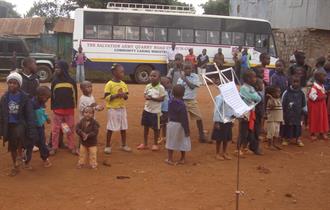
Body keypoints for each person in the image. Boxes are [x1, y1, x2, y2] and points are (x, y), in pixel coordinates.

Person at [0, 72, 37, 176]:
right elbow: (1, 114)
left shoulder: (25, 98)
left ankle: (21, 153)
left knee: (19, 134)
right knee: (12, 146)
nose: (12, 85)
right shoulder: (4, 98)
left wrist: (31, 129)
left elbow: (29, 114)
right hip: (9, 125)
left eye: (15, 83)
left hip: (20, 123)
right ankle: (15, 165)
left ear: (19, 85)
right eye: (10, 82)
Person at [50, 60, 78, 155]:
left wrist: (74, 106)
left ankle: (72, 146)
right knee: (55, 130)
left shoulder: (71, 81)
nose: (56, 69)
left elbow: (75, 95)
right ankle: (54, 147)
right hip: (57, 111)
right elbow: (52, 95)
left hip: (69, 111)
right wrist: (53, 107)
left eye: (58, 68)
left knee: (69, 129)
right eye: (55, 67)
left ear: (64, 69)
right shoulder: (54, 81)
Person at [177, 62, 208, 143]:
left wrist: (185, 79)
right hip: (182, 101)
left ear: (192, 69)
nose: (187, 70)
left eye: (189, 68)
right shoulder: (180, 79)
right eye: (185, 68)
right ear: (183, 70)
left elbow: (192, 86)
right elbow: (178, 90)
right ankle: (180, 135)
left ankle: (201, 135)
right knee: (181, 119)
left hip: (192, 101)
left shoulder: (195, 76)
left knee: (199, 118)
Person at [104, 64, 131, 154]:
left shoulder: (123, 84)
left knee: (123, 127)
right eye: (121, 72)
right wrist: (116, 95)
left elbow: (126, 96)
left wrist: (124, 96)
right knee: (110, 127)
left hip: (122, 108)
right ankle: (107, 146)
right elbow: (106, 97)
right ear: (114, 72)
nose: (123, 73)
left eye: (123, 72)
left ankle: (124, 145)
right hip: (112, 109)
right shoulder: (109, 84)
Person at [138, 70, 166, 151]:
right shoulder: (148, 86)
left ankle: (155, 144)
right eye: (151, 76)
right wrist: (146, 96)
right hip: (146, 110)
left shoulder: (161, 88)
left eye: (154, 76)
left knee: (156, 129)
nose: (152, 77)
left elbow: (162, 98)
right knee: (145, 127)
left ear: (159, 78)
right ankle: (145, 143)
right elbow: (145, 94)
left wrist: (152, 98)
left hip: (156, 112)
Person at [165, 85, 191, 165]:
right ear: (183, 94)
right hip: (180, 125)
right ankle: (182, 158)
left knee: (170, 141)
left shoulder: (170, 102)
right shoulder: (182, 105)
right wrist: (187, 130)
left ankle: (170, 159)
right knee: (182, 140)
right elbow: (184, 118)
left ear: (172, 93)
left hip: (172, 124)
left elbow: (168, 113)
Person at [238, 70, 261, 156]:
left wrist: (254, 96)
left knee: (249, 131)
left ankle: (244, 147)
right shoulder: (244, 88)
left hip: (251, 112)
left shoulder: (251, 88)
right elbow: (255, 97)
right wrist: (254, 96)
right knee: (243, 131)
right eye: (253, 77)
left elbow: (258, 98)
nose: (255, 79)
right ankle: (238, 149)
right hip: (245, 113)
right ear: (248, 78)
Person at [211, 86, 235, 160]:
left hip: (228, 120)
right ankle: (217, 153)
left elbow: (232, 109)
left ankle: (224, 152)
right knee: (219, 138)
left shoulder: (230, 98)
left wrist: (232, 120)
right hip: (221, 121)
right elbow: (216, 110)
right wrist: (216, 122)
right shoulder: (219, 98)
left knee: (226, 138)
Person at [282, 76, 306, 147]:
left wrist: (303, 114)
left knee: (298, 126)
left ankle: (298, 139)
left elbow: (304, 104)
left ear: (300, 83)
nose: (295, 83)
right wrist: (283, 113)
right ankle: (286, 139)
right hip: (288, 114)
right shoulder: (286, 92)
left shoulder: (301, 93)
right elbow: (282, 103)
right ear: (290, 82)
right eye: (294, 82)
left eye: (297, 82)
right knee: (287, 126)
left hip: (298, 114)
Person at [32, 86, 52, 167]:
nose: (47, 100)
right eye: (46, 98)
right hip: (32, 127)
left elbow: (43, 112)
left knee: (42, 142)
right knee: (30, 143)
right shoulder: (32, 103)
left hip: (40, 127)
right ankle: (26, 159)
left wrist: (47, 118)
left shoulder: (42, 103)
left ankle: (45, 158)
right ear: (39, 95)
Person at [307, 70, 329, 140]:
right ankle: (313, 133)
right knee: (315, 119)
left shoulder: (321, 86)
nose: (326, 78)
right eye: (324, 76)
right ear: (318, 77)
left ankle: (322, 132)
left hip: (322, 106)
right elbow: (312, 97)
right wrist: (322, 97)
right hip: (315, 108)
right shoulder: (314, 87)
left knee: (322, 118)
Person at [159, 76, 172, 144]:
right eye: (167, 83)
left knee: (165, 124)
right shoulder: (162, 93)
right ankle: (158, 137)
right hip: (162, 111)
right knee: (160, 125)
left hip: (167, 111)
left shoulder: (169, 92)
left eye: (170, 82)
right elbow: (160, 103)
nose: (170, 84)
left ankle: (164, 137)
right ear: (162, 85)